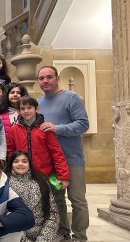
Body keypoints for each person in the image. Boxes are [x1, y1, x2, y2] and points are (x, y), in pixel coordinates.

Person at [37, 66, 89, 241]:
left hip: (72, 160)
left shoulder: (71, 98)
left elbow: (83, 124)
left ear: (57, 78)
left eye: (49, 77)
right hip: (52, 164)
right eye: (41, 78)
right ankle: (63, 231)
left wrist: (57, 128)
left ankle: (80, 236)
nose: (45, 81)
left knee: (77, 199)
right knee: (58, 198)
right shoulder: (39, 103)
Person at [6, 96, 70, 185]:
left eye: (29, 107)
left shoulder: (45, 129)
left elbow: (57, 153)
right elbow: (10, 153)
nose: (26, 111)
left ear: (37, 108)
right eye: (22, 108)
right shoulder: (14, 130)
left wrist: (63, 176)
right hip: (22, 176)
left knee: (51, 198)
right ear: (18, 111)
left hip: (45, 175)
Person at [6, 151, 60, 242]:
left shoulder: (42, 182)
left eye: (24, 161)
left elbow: (53, 213)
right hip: (14, 237)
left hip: (42, 236)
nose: (20, 164)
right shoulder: (4, 184)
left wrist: (43, 239)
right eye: (16, 161)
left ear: (29, 164)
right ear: (11, 164)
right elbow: (4, 217)